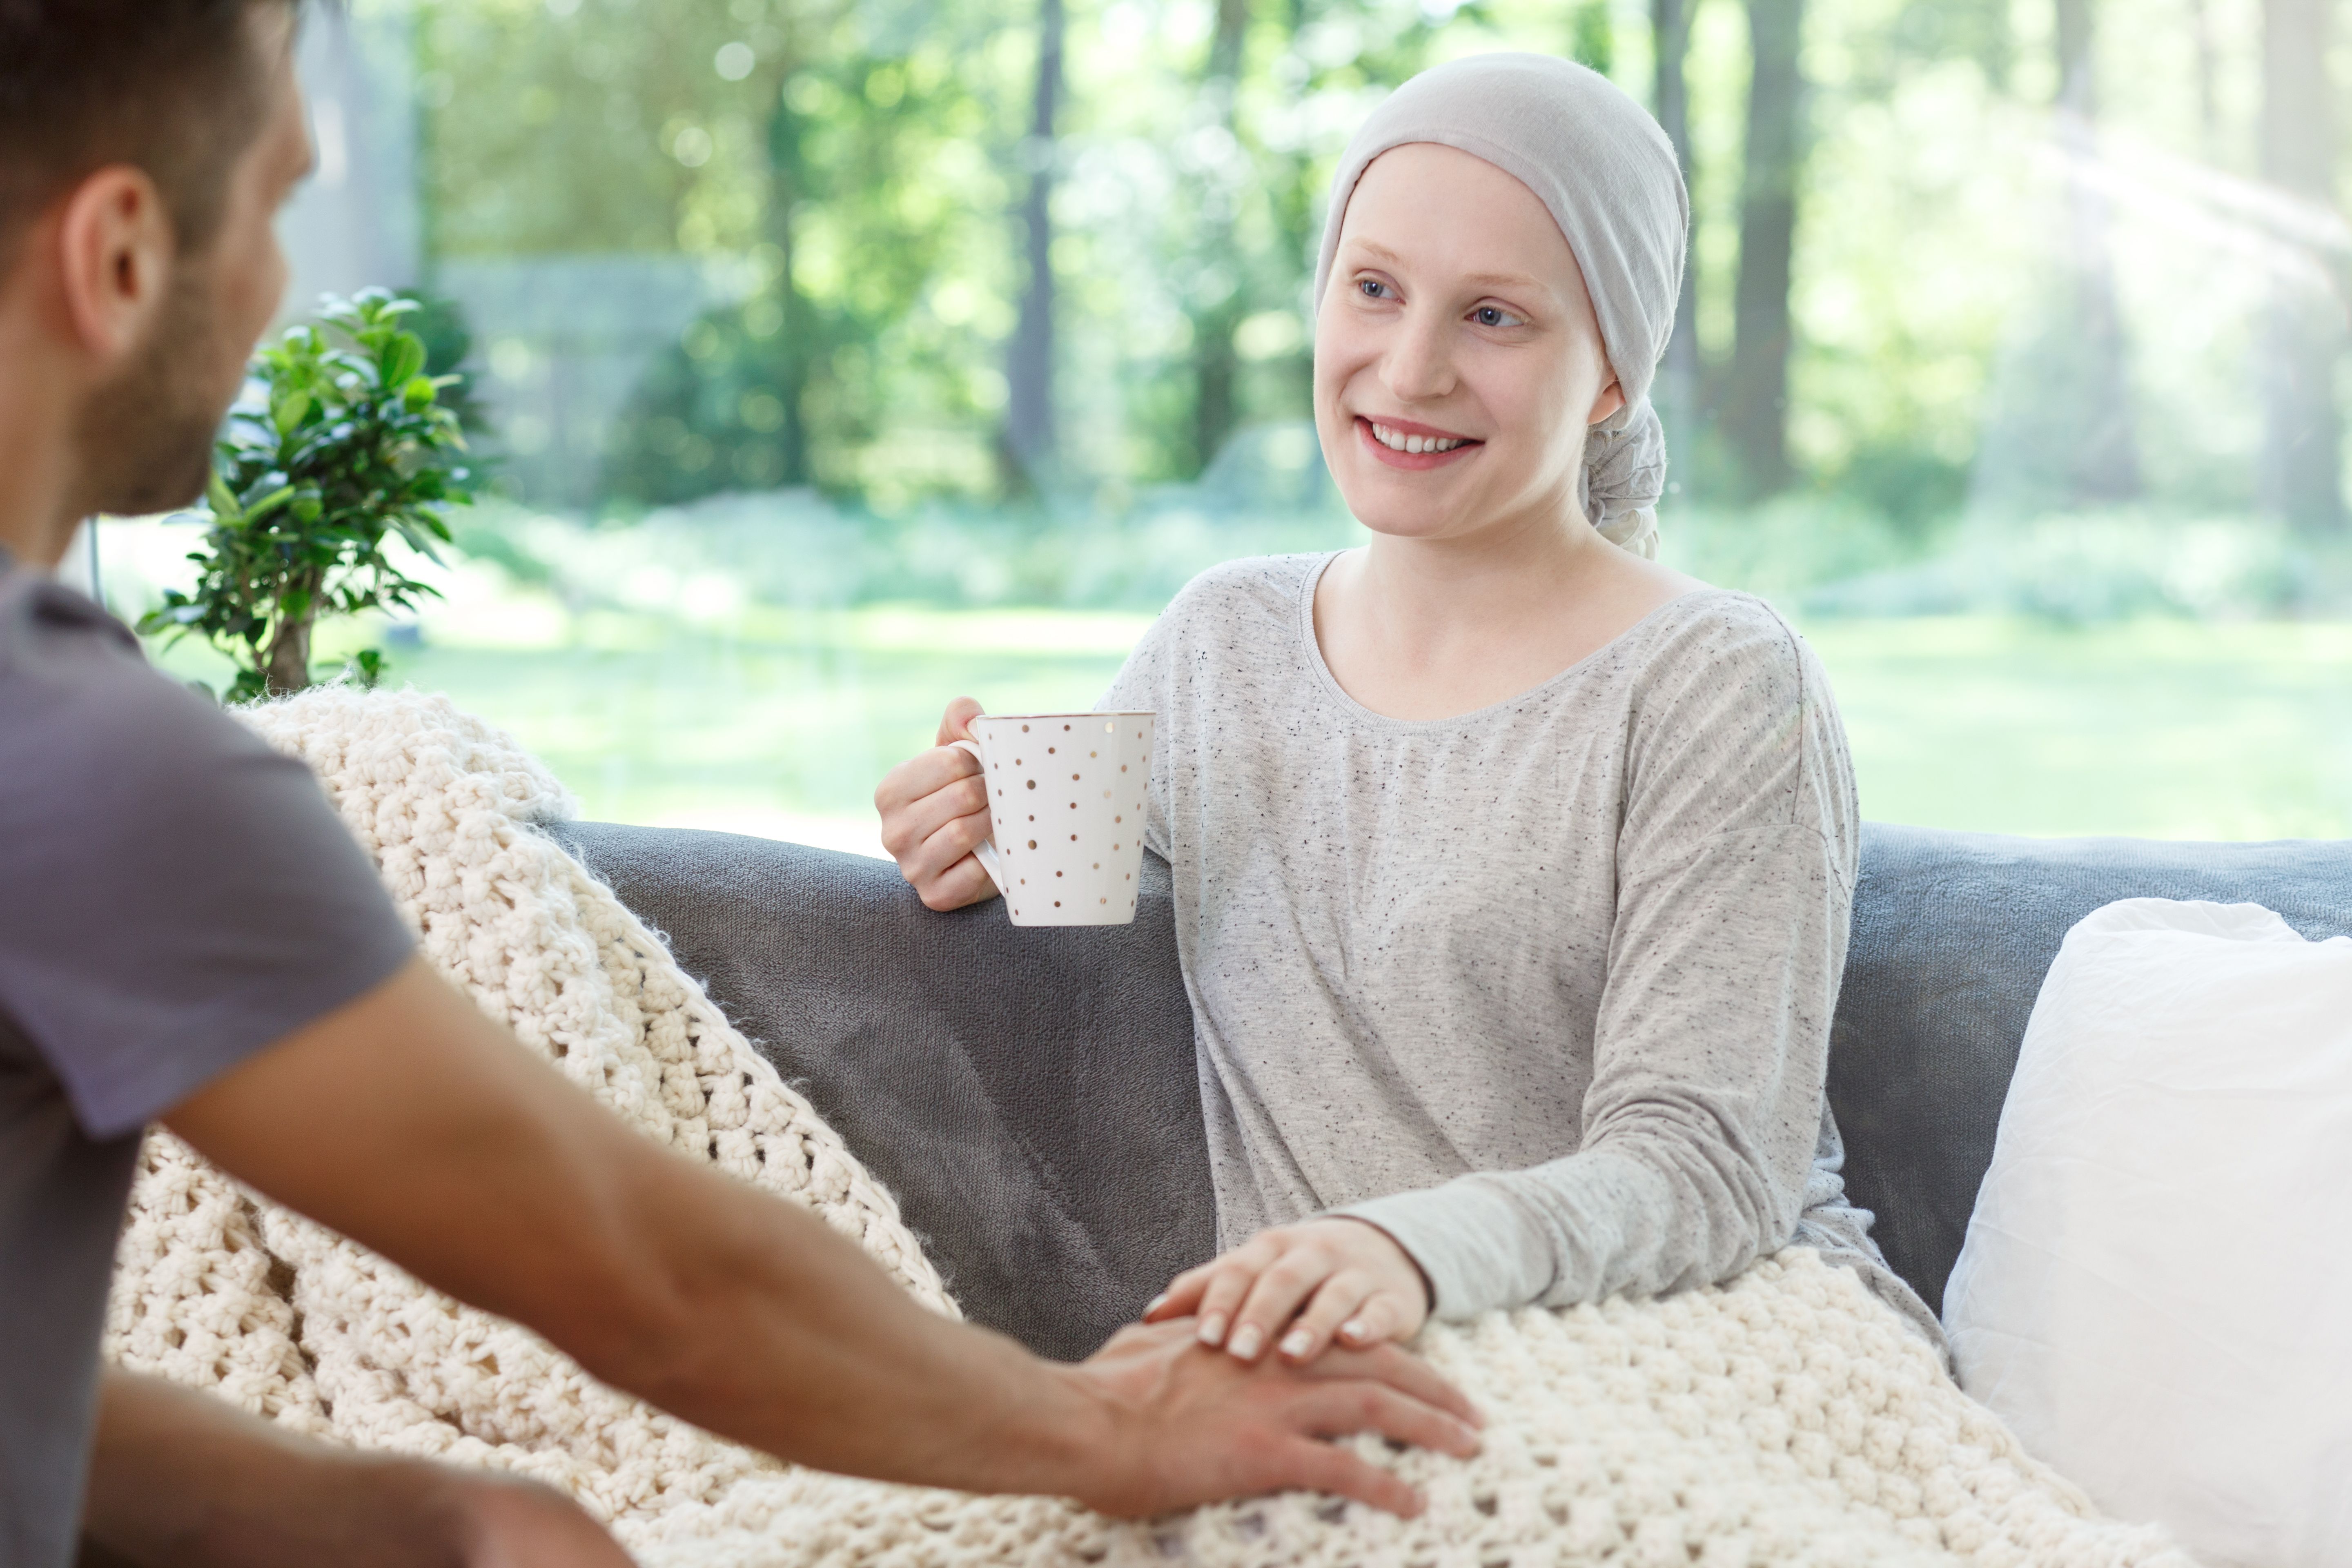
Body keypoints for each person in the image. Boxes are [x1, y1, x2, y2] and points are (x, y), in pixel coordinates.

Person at [0, 5, 1486, 1566]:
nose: (276, 288)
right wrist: (1108, 1428)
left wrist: (419, 1513)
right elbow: (641, 1273)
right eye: (271, 207)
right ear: (115, 257)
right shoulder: (87, 766)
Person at [878, 54, 1936, 1377]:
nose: (1411, 367)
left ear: (1612, 375)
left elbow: (1710, 1168)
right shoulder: (1222, 646)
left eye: (1495, 317)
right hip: (1352, 1369)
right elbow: (1070, 872)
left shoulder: (1716, 681)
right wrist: (961, 833)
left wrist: (1404, 1253)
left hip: (1720, 1343)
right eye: (1373, 289)